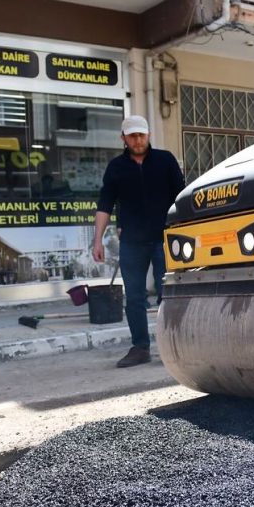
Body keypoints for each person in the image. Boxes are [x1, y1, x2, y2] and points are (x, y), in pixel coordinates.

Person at [92, 115, 184, 368]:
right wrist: (97, 240)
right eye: (132, 136)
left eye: (141, 135)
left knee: (169, 293)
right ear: (123, 138)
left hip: (164, 238)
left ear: (148, 135)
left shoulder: (165, 161)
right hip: (132, 241)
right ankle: (140, 347)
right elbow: (105, 205)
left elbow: (182, 196)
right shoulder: (116, 168)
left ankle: (172, 346)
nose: (138, 140)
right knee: (134, 296)